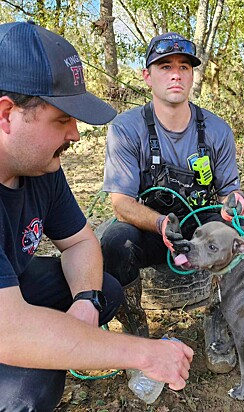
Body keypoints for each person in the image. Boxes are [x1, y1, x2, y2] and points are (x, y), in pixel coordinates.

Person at [0, 22, 193, 411]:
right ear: (7, 114)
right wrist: (145, 355)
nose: (75, 133)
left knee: (106, 289)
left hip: (11, 286)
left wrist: (86, 299)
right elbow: (8, 329)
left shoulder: (41, 169)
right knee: (30, 388)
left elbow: (79, 241)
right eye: (62, 119)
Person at [101, 32, 244, 373]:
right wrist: (160, 224)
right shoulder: (126, 129)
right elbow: (121, 203)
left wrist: (233, 204)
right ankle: (137, 337)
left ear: (192, 75)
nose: (176, 74)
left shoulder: (217, 130)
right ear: (147, 75)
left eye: (184, 67)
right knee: (115, 243)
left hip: (202, 227)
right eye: (165, 66)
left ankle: (219, 322)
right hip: (153, 227)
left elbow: (230, 190)